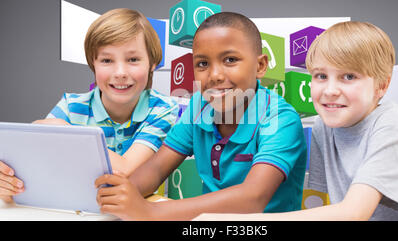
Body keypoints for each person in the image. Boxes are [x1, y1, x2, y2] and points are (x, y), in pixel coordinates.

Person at [193, 21, 398, 221]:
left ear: (382, 85)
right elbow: (327, 203)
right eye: (321, 75)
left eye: (348, 76)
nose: (330, 90)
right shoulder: (325, 125)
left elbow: (352, 213)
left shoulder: (391, 133)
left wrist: (230, 221)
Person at [94, 12, 307, 220]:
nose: (215, 75)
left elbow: (252, 198)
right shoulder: (199, 106)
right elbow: (157, 168)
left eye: (230, 60)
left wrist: (149, 212)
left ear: (260, 66)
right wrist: (125, 195)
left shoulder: (280, 119)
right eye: (203, 64)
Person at [0, 8, 179, 203]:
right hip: (79, 207)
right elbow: (36, 162)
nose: (120, 72)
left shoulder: (163, 108)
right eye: (107, 60)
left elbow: (128, 171)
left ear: (152, 63)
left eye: (133, 59)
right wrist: (9, 181)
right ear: (93, 64)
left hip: (140, 207)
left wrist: (66, 133)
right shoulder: (71, 105)